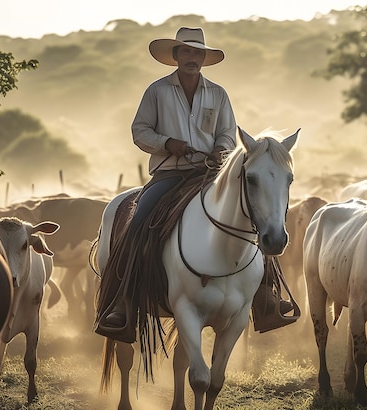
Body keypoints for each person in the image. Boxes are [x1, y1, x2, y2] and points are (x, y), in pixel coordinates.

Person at [94, 27, 293, 343]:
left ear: (204, 58)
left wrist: (220, 149)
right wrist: (167, 142)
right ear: (175, 56)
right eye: (186, 52)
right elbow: (139, 131)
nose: (192, 58)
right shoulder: (157, 92)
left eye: (197, 53)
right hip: (168, 175)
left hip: (210, 174)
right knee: (138, 220)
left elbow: (228, 132)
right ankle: (123, 300)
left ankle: (267, 296)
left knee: (255, 216)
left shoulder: (218, 93)